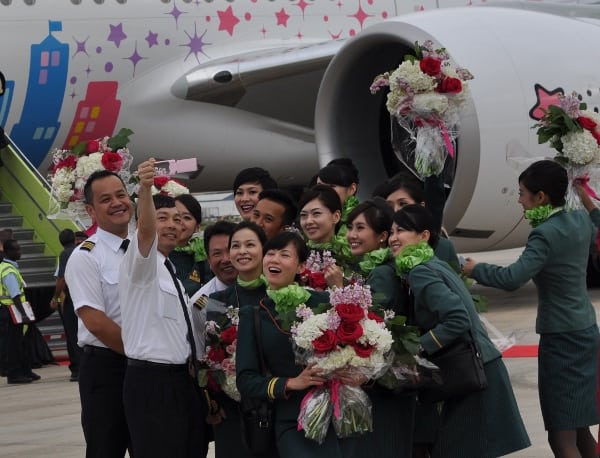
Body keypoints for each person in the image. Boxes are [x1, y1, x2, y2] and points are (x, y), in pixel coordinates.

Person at [462, 159, 599, 458]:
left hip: (561, 338)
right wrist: (584, 195)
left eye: (522, 193)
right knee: (582, 429)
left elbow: (511, 278)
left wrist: (474, 269)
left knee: (561, 436)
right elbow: (597, 221)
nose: (519, 200)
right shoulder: (579, 221)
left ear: (542, 197)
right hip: (587, 331)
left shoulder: (544, 234)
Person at [390, 204, 530, 458]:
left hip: (474, 371)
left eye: (402, 230)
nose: (393, 238)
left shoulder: (421, 271)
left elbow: (457, 318)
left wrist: (418, 347)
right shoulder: (434, 264)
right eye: (391, 232)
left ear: (424, 236)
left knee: (457, 449)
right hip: (482, 365)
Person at [236, 231, 354, 458]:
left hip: (340, 416)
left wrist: (339, 290)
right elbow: (246, 380)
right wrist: (290, 383)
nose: (275, 259)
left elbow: (357, 344)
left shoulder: (323, 302)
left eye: (284, 254)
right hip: (293, 420)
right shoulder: (253, 315)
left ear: (301, 267)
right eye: (270, 253)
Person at [119, 159, 206, 458]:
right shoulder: (140, 262)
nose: (172, 225)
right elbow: (145, 232)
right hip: (151, 383)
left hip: (181, 380)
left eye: (177, 219)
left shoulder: (170, 271)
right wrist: (144, 189)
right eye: (163, 218)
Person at [65, 169, 133, 457]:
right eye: (106, 199)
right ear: (91, 210)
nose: (117, 203)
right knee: (107, 448)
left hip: (145, 365)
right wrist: (141, 352)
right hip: (109, 368)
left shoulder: (144, 249)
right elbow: (95, 321)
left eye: (121, 195)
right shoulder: (85, 257)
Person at [344, 198, 415, 458]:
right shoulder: (374, 268)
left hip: (383, 381)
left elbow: (371, 325)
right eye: (350, 227)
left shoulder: (382, 273)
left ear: (383, 236)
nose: (352, 234)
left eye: (360, 228)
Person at [208, 221, 268, 458]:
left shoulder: (281, 291)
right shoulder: (216, 299)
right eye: (236, 246)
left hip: (277, 402)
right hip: (233, 410)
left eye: (250, 245)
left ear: (264, 249)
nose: (242, 251)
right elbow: (210, 352)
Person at [374, 172, 459, 269]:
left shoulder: (444, 247)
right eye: (390, 206)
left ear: (421, 206)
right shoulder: (379, 245)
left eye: (403, 204)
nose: (395, 211)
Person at [298, 185, 353, 288]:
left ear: (336, 216)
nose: (308, 221)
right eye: (303, 215)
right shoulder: (297, 255)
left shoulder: (351, 254)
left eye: (316, 213)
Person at [0, 239, 37, 384]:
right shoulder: (8, 270)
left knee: (21, 342)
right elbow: (15, 294)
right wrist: (23, 314)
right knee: (14, 344)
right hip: (11, 310)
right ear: (8, 252)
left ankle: (25, 370)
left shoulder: (7, 266)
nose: (19, 252)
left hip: (12, 309)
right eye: (16, 250)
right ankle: (15, 375)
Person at [50, 229, 82, 382]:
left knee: (73, 334)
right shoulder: (83, 250)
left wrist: (56, 298)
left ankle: (77, 369)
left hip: (73, 298)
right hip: (86, 296)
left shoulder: (66, 254)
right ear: (75, 239)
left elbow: (62, 279)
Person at [170, 193, 210, 296]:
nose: (180, 222)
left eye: (187, 218)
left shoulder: (204, 257)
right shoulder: (157, 255)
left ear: (197, 227)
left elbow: (211, 295)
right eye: (176, 216)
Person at [190, 220, 238, 302]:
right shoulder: (200, 302)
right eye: (217, 253)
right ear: (208, 259)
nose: (226, 259)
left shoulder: (265, 286)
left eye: (230, 250)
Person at [315, 158, 360, 224]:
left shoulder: (365, 218)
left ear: (351, 189)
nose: (324, 190)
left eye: (331, 186)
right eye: (320, 186)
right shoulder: (313, 219)